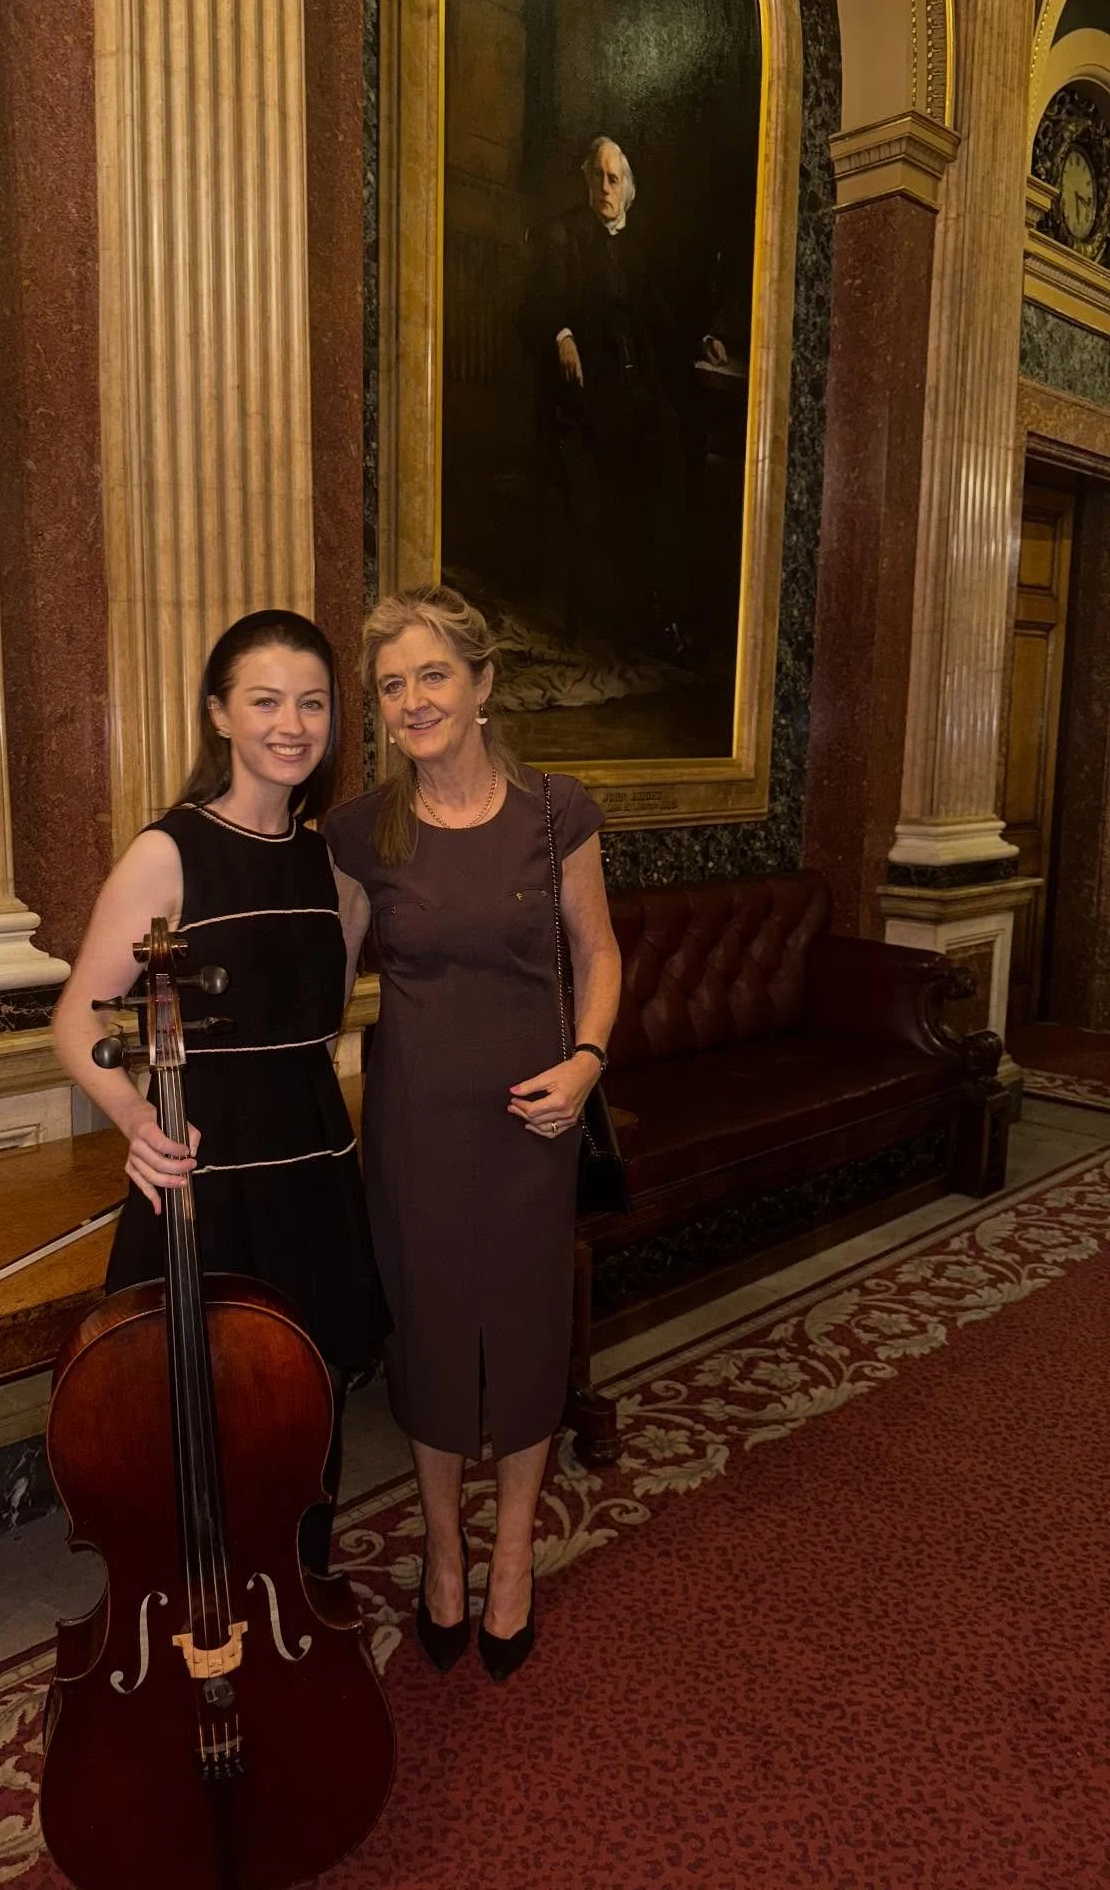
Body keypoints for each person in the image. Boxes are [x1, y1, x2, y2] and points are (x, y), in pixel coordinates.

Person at [323, 583, 622, 1679]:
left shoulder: (557, 813)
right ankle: (445, 1556)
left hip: (534, 1132)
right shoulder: (361, 830)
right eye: (392, 685)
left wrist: (587, 1062)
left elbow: (598, 952)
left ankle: (510, 1565)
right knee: (437, 1340)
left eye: (432, 675)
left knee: (531, 1338)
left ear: (484, 684)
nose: (412, 701)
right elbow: (324, 979)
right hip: (414, 1135)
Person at [52, 610, 389, 1575]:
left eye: (313, 703)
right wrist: (132, 1119)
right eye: (266, 700)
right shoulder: (170, 853)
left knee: (309, 1412)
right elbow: (79, 1019)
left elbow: (318, 1028)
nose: (293, 724)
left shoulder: (333, 867)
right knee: (200, 1426)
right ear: (220, 715)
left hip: (316, 1169)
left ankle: (301, 1602)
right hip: (208, 1176)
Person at [524, 134, 726, 657]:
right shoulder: (561, 236)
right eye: (597, 176)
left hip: (639, 396)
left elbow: (662, 319)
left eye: (614, 179)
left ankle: (667, 613)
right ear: (586, 180)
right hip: (586, 400)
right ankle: (625, 615)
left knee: (672, 449)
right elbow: (534, 308)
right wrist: (562, 335)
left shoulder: (638, 249)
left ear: (629, 189)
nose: (605, 187)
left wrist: (706, 339)